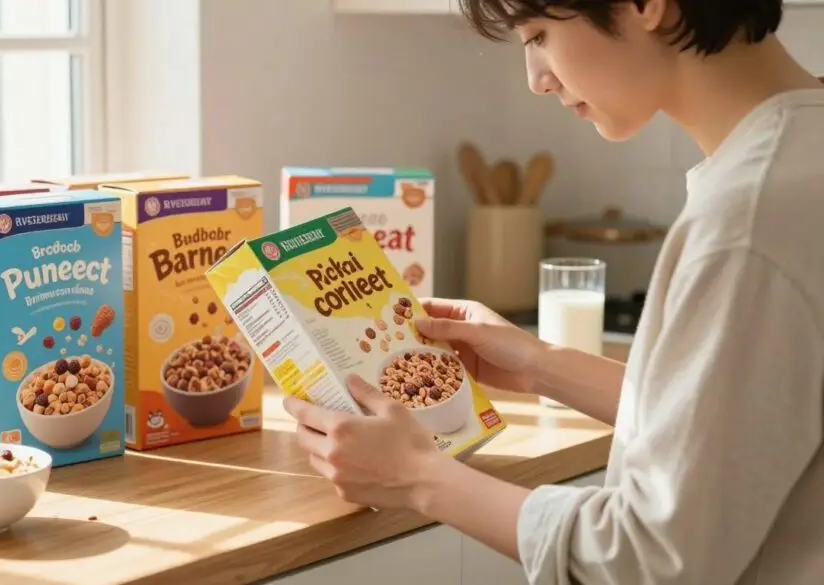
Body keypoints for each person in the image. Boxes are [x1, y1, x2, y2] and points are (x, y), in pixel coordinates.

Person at [282, 1, 824, 583]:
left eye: (538, 35)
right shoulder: (797, 154)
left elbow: (650, 558)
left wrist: (417, 476)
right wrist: (539, 365)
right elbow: (748, 426)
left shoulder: (749, 218)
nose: (537, 80)